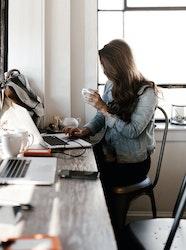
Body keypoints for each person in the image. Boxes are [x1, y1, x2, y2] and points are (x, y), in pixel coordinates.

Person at [63, 39, 158, 238]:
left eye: (107, 67)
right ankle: (82, 229)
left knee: (91, 184)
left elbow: (132, 131)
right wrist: (85, 131)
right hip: (109, 154)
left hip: (132, 163)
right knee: (73, 169)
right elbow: (100, 117)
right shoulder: (111, 84)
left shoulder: (147, 93)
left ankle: (107, 234)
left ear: (121, 65)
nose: (105, 72)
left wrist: (103, 108)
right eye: (103, 67)